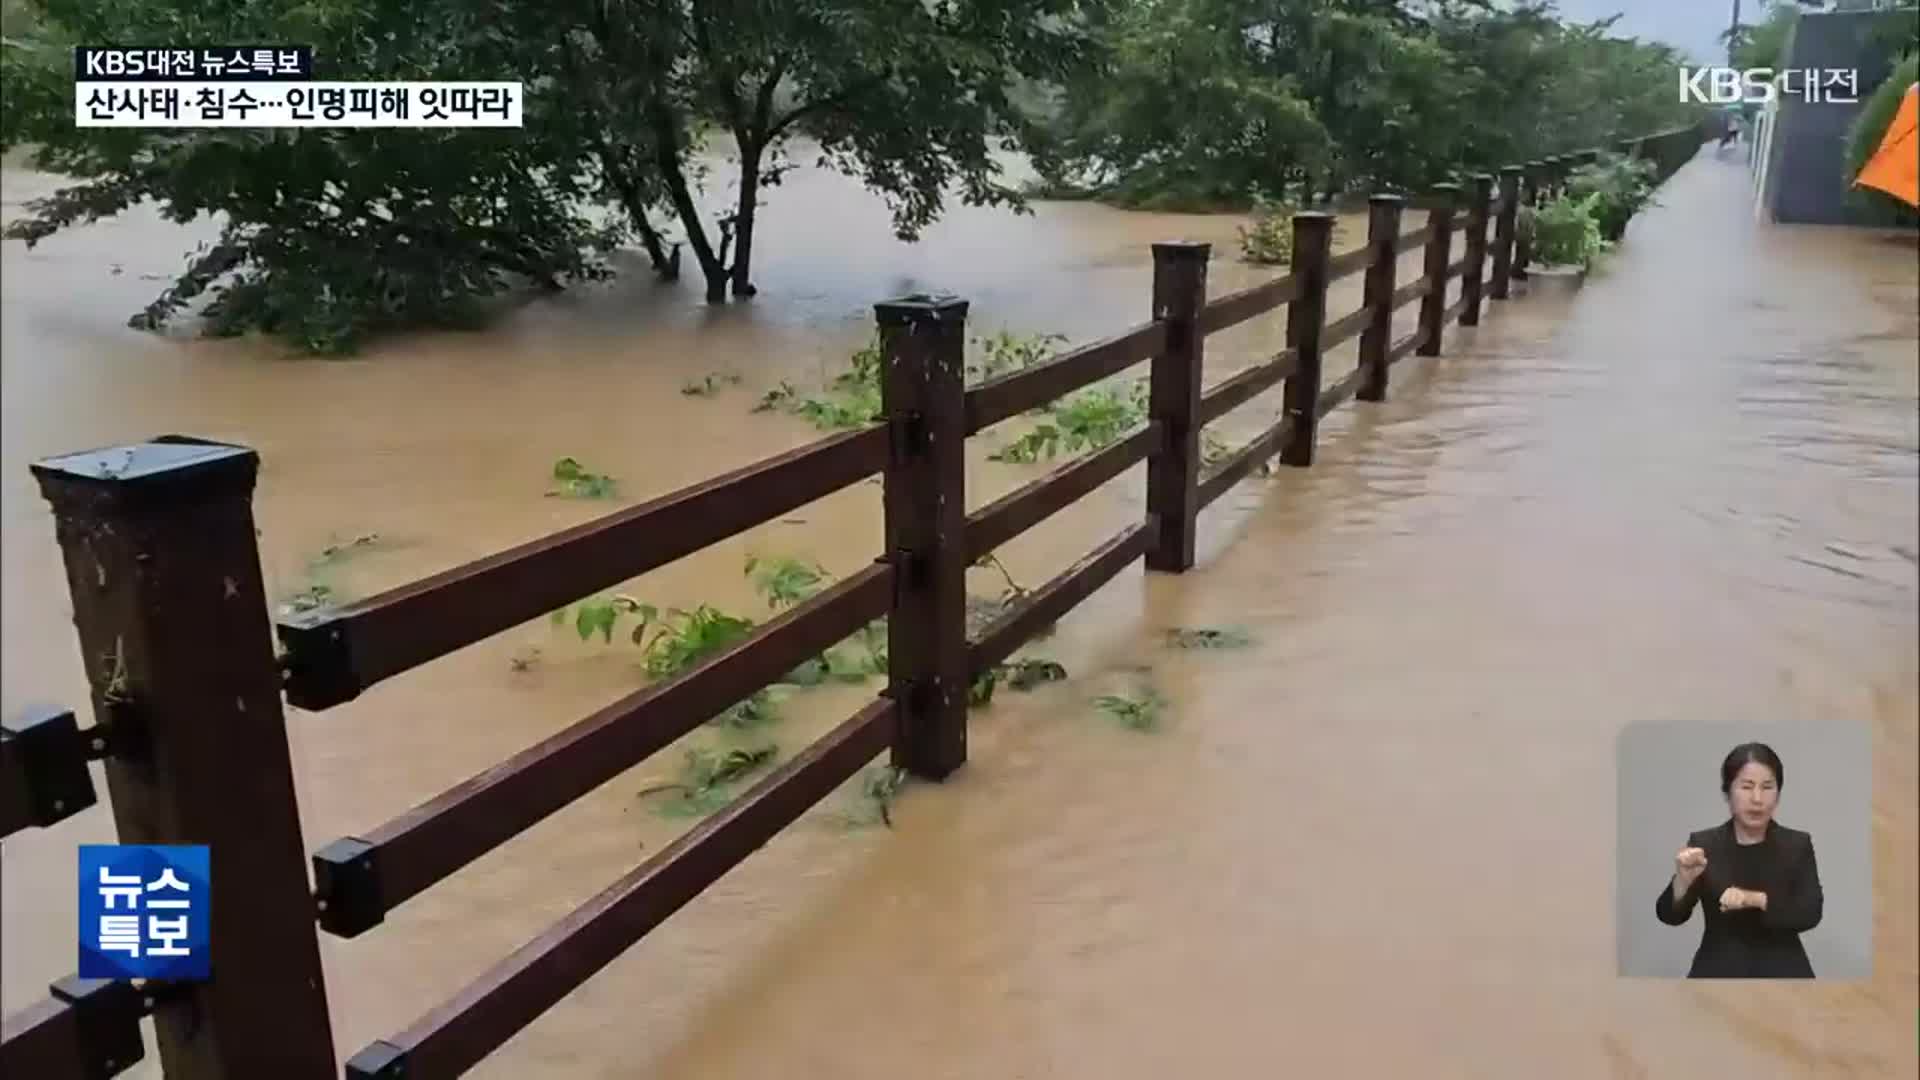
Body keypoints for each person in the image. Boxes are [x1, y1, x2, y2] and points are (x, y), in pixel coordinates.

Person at [1655, 743, 1823, 978]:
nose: (1757, 799)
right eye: (1746, 787)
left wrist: (1754, 899)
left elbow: (1810, 912)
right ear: (1728, 792)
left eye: (1767, 787)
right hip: (1718, 970)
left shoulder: (1796, 844)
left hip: (1784, 971)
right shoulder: (1705, 843)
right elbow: (1670, 916)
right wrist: (1682, 882)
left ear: (1778, 793)